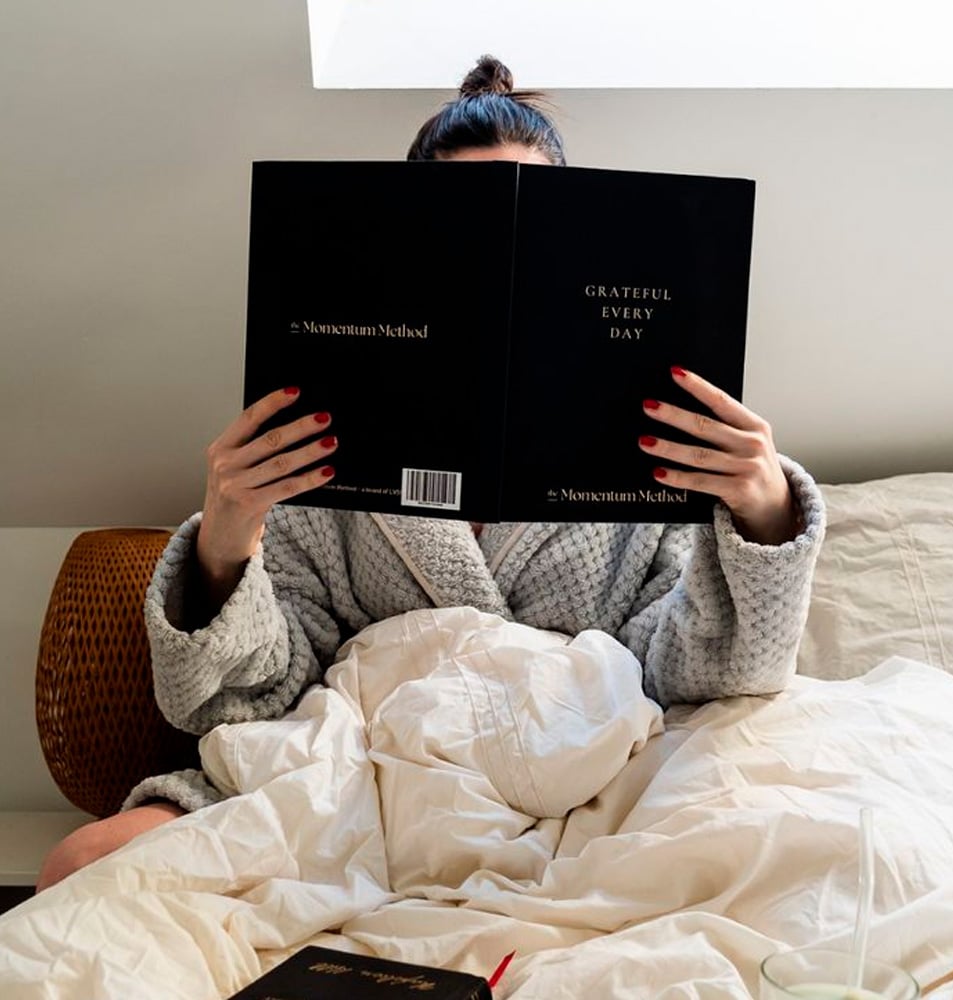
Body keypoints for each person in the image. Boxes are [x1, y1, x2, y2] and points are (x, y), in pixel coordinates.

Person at [36, 55, 826, 892]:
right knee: (79, 865)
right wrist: (227, 542)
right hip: (360, 767)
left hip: (581, 773)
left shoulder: (645, 444)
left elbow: (698, 679)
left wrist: (764, 514)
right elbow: (243, 704)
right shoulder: (325, 435)